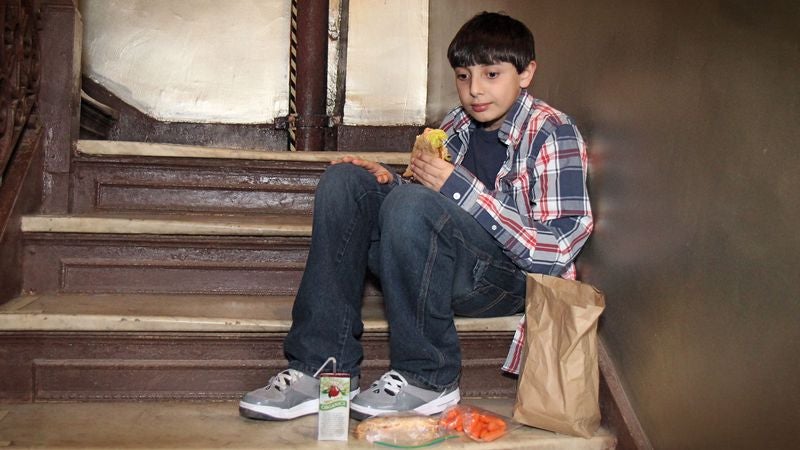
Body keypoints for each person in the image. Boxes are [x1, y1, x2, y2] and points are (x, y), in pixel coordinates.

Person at [239, 11, 593, 421]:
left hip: (508, 282)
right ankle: (322, 371)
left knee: (412, 204)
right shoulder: (456, 124)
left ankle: (429, 378)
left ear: (526, 72)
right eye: (463, 76)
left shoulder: (552, 131)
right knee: (346, 182)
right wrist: (391, 185)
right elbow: (432, 218)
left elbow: (558, 249)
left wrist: (459, 188)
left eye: (491, 75)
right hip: (444, 266)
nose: (475, 90)